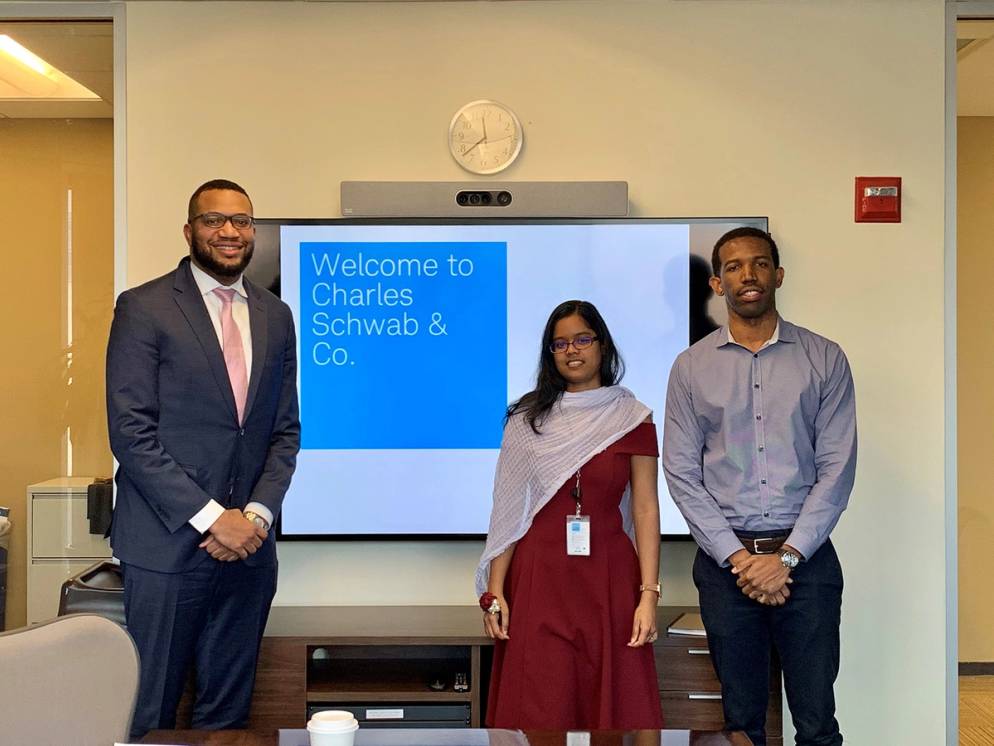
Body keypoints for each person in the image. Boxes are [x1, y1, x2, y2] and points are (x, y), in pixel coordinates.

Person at [106, 179, 300, 738]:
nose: (230, 231)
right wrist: (218, 520)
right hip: (165, 548)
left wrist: (255, 518)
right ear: (190, 231)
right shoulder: (144, 308)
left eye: (241, 221)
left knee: (228, 719)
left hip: (249, 553)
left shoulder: (275, 316)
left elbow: (283, 433)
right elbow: (132, 434)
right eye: (215, 220)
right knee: (150, 712)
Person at [662, 227, 856, 746]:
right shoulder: (690, 368)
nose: (748, 275)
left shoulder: (825, 358)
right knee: (741, 726)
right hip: (728, 572)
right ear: (717, 283)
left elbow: (837, 468)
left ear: (778, 275)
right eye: (733, 266)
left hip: (807, 566)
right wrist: (739, 559)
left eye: (760, 263)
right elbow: (681, 472)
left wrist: (786, 558)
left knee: (816, 723)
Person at [477, 300, 664, 730]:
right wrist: (495, 592)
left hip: (610, 580)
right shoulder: (527, 419)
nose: (571, 350)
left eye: (582, 339)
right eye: (559, 343)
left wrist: (648, 595)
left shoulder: (632, 417)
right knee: (539, 707)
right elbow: (509, 512)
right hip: (540, 579)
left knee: (613, 715)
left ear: (602, 345)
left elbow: (646, 508)